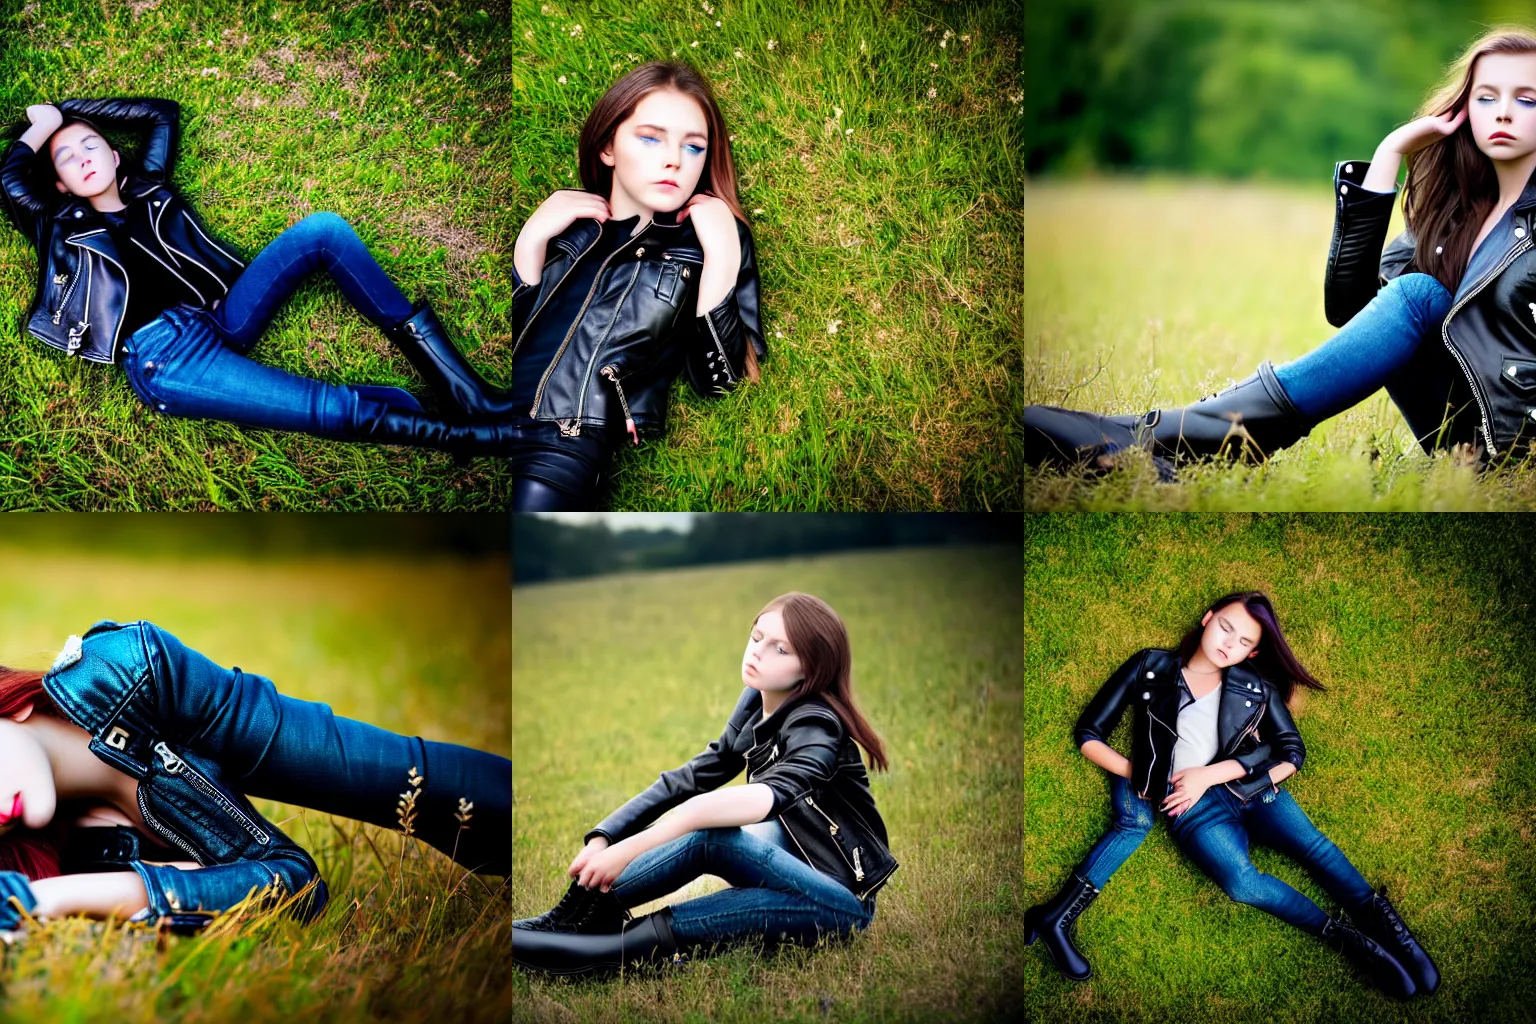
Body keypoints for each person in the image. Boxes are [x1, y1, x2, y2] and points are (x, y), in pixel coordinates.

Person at [1025, 27, 1536, 478]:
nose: (1504, 113)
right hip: (1460, 439)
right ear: (1463, 108)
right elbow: (1353, 308)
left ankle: (1168, 437)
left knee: (1417, 292)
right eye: (1486, 97)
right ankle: (1177, 443)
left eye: (1527, 99)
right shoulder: (1463, 210)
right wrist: (1389, 154)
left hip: (1517, 450)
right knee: (1418, 292)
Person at [0, 98, 517, 458]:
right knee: (328, 407)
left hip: (222, 311)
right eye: (65, 159)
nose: (82, 158)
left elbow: (159, 114)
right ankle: (473, 439)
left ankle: (463, 390)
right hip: (165, 358)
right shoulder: (59, 224)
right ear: (61, 186)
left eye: (90, 146)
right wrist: (43, 127)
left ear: (115, 155)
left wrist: (65, 114)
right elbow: (10, 177)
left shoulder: (149, 188)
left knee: (325, 230)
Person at [1025, 592, 1440, 1001]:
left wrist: (1215, 773)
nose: (1230, 645)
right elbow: (1088, 734)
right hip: (1192, 809)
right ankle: (1350, 941)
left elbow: (1292, 753)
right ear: (1207, 619)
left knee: (1318, 851)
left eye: (1245, 642)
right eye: (1226, 628)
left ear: (1254, 653)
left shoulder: (1255, 689)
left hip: (1253, 791)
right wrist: (1146, 773)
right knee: (1241, 883)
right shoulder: (1150, 666)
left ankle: (1394, 933)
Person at [0, 619, 509, 932]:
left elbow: (376, 770)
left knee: (401, 779)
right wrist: (43, 899)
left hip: (483, 803)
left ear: (10, 708)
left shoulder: (129, 672)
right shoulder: (75, 851)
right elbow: (294, 889)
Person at [511, 593, 894, 977]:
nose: (758, 652)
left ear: (811, 668)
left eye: (781, 649)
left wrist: (627, 850)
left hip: (839, 903)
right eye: (757, 636)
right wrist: (604, 837)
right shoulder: (758, 701)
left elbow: (766, 798)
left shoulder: (817, 725)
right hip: (793, 860)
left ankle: (613, 954)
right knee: (707, 835)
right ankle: (574, 917)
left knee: (712, 835)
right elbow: (690, 778)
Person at [510, 60, 765, 510]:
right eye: (651, 138)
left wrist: (724, 252)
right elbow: (522, 338)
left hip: (571, 434)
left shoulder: (699, 243)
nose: (674, 160)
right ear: (608, 146)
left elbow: (720, 380)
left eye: (694, 147)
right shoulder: (574, 226)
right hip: (499, 410)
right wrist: (531, 240)